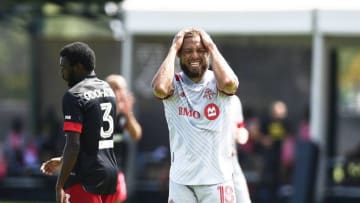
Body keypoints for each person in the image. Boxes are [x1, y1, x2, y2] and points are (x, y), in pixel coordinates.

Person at [152, 27, 239, 202]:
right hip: (181, 182)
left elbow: (230, 84)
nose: (194, 56)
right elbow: (160, 89)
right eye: (188, 51)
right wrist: (173, 48)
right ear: (179, 55)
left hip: (217, 181)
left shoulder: (218, 81)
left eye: (200, 50)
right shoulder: (174, 84)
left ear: (207, 52)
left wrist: (212, 46)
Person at [40, 42, 118, 203]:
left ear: (78, 67)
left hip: (85, 179)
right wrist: (63, 161)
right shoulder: (107, 89)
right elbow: (93, 138)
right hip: (109, 176)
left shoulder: (74, 95)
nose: (62, 72)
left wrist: (59, 185)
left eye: (64, 67)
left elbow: (73, 145)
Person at [105, 74, 142, 203]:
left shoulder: (124, 113)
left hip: (117, 169)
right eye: (113, 88)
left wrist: (128, 114)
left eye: (119, 88)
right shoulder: (98, 109)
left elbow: (136, 134)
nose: (116, 92)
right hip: (99, 169)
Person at [230, 95, 252, 203]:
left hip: (231, 162)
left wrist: (243, 134)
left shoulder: (234, 101)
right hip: (207, 166)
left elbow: (240, 128)